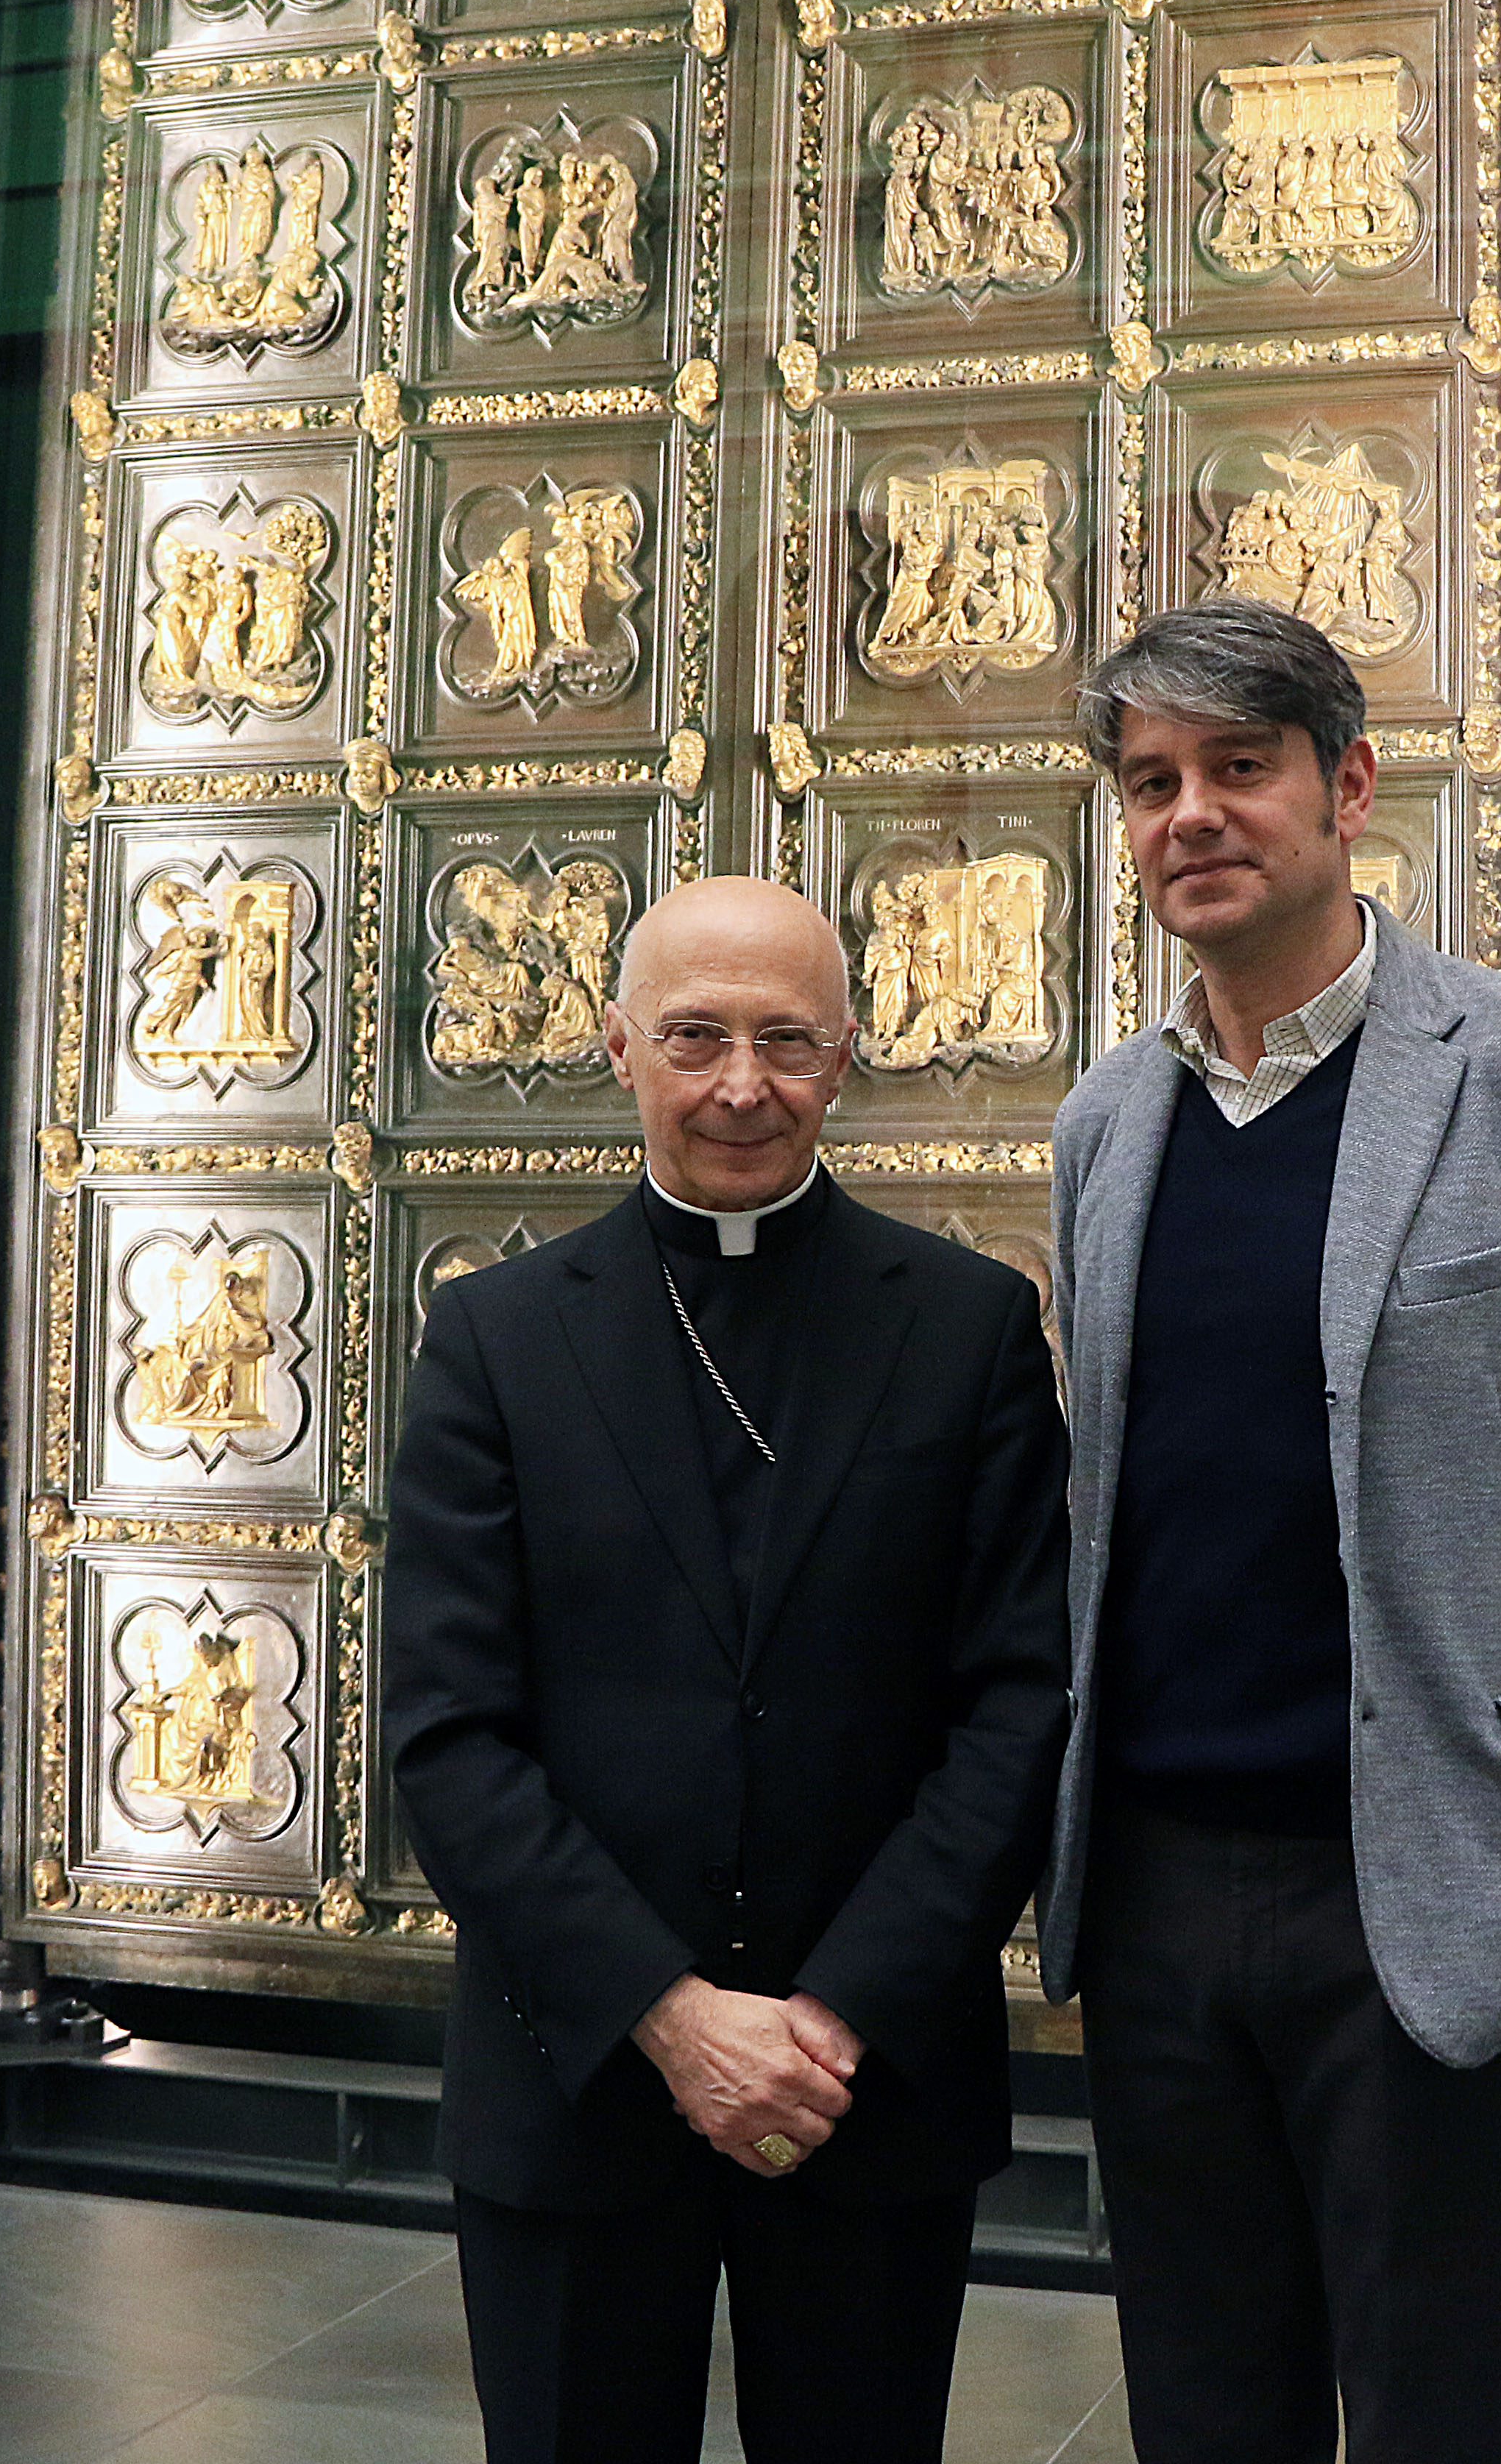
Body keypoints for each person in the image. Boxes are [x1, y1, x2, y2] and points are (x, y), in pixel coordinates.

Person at [1037, 595, 1501, 2463]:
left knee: (1440, 2417)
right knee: (1204, 2414)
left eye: (1239, 769)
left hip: (1437, 1894)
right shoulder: (1109, 1120)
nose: (1192, 817)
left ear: (1348, 787)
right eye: (1152, 785)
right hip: (1154, 1888)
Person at [384, 874, 1073, 2464]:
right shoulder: (496, 1338)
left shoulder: (967, 1325)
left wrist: (831, 2016)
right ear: (620, 1046)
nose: (741, 1085)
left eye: (786, 1041)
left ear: (850, 1056)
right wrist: (674, 2015)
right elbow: (449, 1731)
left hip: (870, 2084)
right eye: (695, 1037)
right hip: (577, 2066)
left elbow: (1020, 1700)